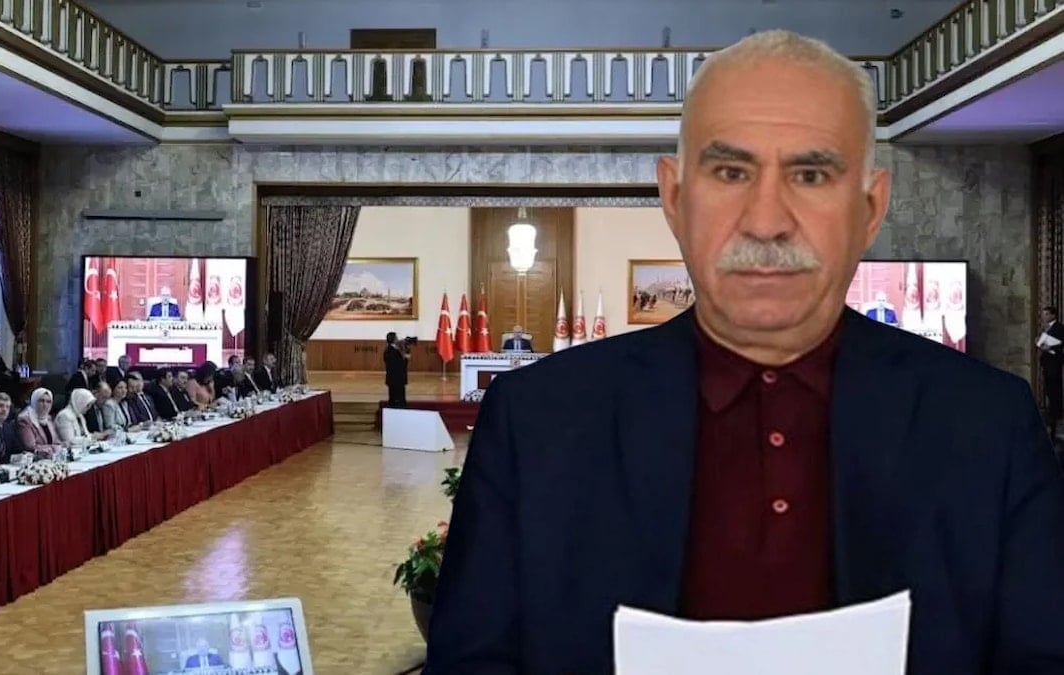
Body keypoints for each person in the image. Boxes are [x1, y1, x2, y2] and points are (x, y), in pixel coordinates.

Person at [425, 30, 1064, 674]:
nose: (766, 222)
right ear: (675, 199)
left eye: (810, 174)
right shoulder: (535, 420)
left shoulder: (989, 426)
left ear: (870, 208)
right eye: (731, 172)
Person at [1039, 306, 1064, 438]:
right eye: (1044, 314)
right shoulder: (1046, 328)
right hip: (1047, 363)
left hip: (1055, 364)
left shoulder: (1059, 328)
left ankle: (1056, 415)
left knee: (1055, 390)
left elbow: (1060, 346)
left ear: (1053, 315)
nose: (1044, 317)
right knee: (1049, 389)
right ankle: (1051, 414)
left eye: (1047, 314)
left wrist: (1050, 348)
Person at [383, 332, 408, 408]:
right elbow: (400, 364)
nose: (398, 339)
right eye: (396, 337)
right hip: (397, 379)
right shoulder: (391, 351)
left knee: (394, 399)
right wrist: (406, 357)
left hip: (394, 379)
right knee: (398, 401)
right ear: (394, 339)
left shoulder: (389, 350)